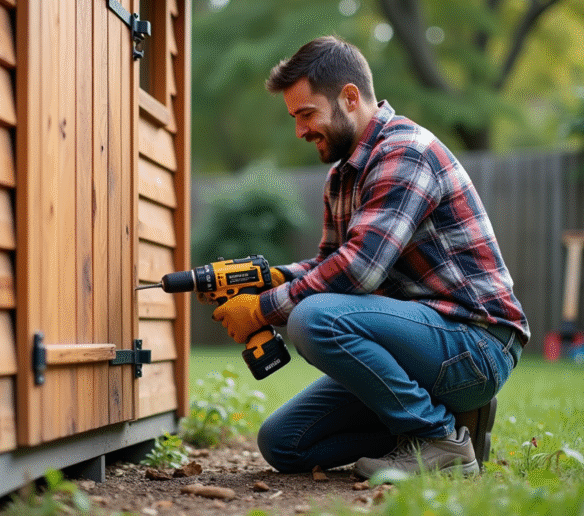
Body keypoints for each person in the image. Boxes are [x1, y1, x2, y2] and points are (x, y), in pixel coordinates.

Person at [211, 36, 529, 478]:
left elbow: (359, 271)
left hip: (476, 343)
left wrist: (263, 310)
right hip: (420, 340)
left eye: (306, 114)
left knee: (313, 318)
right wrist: (269, 279)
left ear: (350, 97)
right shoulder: (343, 175)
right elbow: (330, 263)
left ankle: (438, 438)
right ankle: (456, 424)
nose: (300, 130)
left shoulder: (405, 152)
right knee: (283, 444)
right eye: (294, 118)